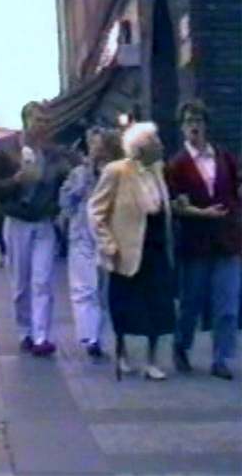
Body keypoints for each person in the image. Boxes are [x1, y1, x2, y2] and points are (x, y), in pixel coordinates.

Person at [88, 122, 176, 381]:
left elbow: (160, 204)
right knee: (124, 304)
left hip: (156, 244)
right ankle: (123, 353)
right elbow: (95, 211)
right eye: (155, 141)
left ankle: (152, 360)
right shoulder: (117, 171)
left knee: (158, 304)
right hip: (127, 249)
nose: (161, 145)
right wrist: (108, 244)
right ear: (141, 147)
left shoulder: (159, 170)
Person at [0, 102, 71, 356]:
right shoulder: (7, 151)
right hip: (18, 222)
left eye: (45, 120)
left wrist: (57, 207)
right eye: (37, 120)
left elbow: (62, 183)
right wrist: (15, 181)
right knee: (21, 283)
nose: (42, 125)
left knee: (43, 280)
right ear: (25, 121)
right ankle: (25, 331)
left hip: (43, 222)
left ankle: (42, 337)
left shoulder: (53, 154)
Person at [167, 100, 241, 381]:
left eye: (198, 120)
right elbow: (173, 204)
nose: (194, 126)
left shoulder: (224, 158)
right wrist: (199, 212)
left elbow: (236, 190)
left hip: (227, 241)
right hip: (195, 244)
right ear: (182, 127)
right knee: (191, 304)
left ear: (206, 125)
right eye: (188, 121)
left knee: (227, 305)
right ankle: (181, 345)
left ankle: (221, 358)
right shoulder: (177, 164)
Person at [59, 127, 123, 360]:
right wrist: (78, 190)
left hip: (108, 236)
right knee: (84, 287)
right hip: (81, 235)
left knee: (103, 291)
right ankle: (90, 338)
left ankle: (98, 334)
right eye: (92, 144)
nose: (96, 149)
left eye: (100, 144)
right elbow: (64, 201)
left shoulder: (115, 173)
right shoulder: (78, 174)